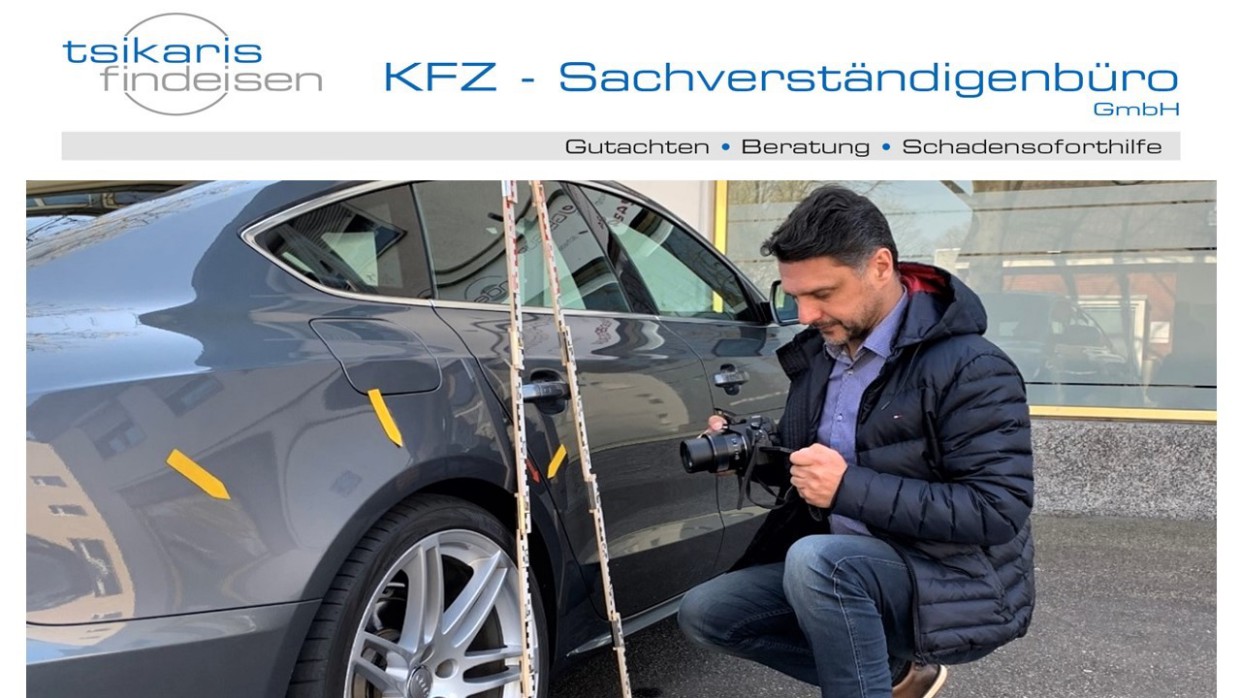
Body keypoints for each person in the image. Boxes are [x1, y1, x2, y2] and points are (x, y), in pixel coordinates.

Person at [677, 185, 1035, 698]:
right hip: (846, 570)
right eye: (794, 296)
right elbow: (821, 467)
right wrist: (753, 456)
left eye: (823, 294)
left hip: (952, 578)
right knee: (709, 612)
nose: (805, 315)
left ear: (880, 266)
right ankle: (898, 677)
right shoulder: (821, 356)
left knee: (820, 561)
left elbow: (997, 510)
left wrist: (846, 488)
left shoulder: (973, 367)